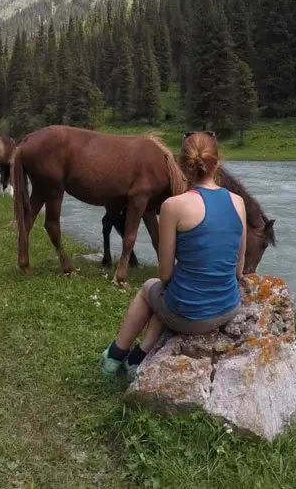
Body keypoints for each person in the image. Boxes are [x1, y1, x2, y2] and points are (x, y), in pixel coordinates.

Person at [100, 130, 248, 378]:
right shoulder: (238, 202)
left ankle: (115, 355)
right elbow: (239, 270)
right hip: (227, 308)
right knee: (172, 293)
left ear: (182, 166)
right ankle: (137, 357)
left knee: (151, 288)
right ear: (218, 161)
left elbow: (166, 273)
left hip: (189, 316)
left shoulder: (173, 206)